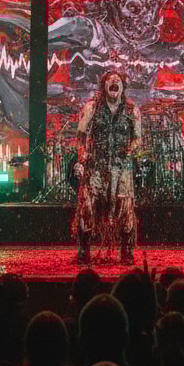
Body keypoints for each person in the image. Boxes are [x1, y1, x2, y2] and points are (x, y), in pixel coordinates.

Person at [71, 70, 143, 265]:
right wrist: (82, 155)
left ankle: (127, 251)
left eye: (117, 80)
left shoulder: (131, 110)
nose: (114, 82)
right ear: (103, 86)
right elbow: (81, 136)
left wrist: (131, 149)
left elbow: (138, 138)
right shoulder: (92, 108)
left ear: (122, 87)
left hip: (122, 166)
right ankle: (83, 250)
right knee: (87, 205)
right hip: (96, 165)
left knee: (125, 207)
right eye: (110, 80)